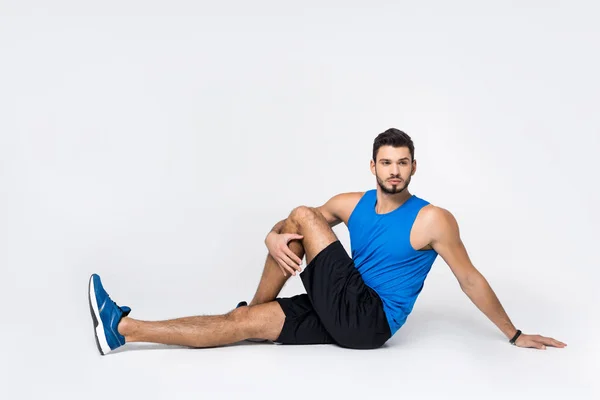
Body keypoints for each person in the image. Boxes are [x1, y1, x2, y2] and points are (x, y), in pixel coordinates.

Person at [88, 128, 567, 355]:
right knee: (242, 320)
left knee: (302, 215)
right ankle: (125, 329)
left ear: (414, 168)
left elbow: (469, 278)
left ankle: (255, 305)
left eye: (403, 162)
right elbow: (293, 232)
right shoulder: (352, 202)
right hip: (342, 308)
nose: (395, 170)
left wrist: (514, 332)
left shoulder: (433, 219)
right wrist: (272, 236)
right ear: (373, 166)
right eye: (386, 162)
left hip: (370, 320)